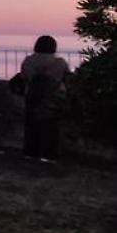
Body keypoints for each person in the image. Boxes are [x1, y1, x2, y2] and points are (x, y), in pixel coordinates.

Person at [18, 35, 70, 163]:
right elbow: (66, 78)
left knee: (31, 126)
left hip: (32, 96)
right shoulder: (59, 62)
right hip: (52, 98)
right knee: (50, 127)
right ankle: (48, 155)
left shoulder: (28, 61)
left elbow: (23, 77)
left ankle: (30, 152)